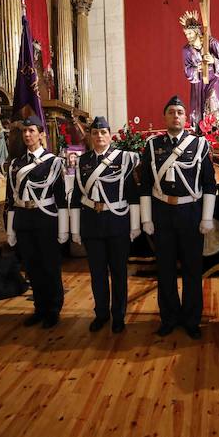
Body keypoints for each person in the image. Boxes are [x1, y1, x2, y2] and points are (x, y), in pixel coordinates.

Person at [139, 95, 216, 339]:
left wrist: (206, 217)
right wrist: (146, 218)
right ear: (165, 117)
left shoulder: (200, 145)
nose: (176, 115)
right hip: (162, 213)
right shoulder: (152, 146)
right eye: (171, 111)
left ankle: (192, 319)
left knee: (193, 269)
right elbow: (145, 186)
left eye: (180, 112)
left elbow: (209, 185)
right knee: (165, 270)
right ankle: (169, 317)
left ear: (186, 117)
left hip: (190, 213)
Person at [70, 116, 140, 334]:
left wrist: (135, 225)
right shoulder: (83, 161)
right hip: (92, 223)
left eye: (103, 133)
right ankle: (101, 313)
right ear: (90, 136)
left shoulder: (123, 160)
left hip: (117, 222)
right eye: (95, 133)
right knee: (97, 273)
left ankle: (118, 315)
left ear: (110, 135)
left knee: (119, 272)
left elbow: (132, 195)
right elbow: (76, 196)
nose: (99, 136)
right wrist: (74, 229)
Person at [5, 116, 68, 328]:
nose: (27, 135)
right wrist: (10, 229)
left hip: (46, 218)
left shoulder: (54, 162)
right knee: (31, 267)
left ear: (41, 134)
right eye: (24, 131)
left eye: (31, 130)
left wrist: (64, 227)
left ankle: (53, 309)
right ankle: (39, 308)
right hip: (24, 218)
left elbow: (61, 198)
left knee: (50, 266)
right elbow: (10, 198)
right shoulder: (16, 164)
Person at [180, 10, 219, 126]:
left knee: (212, 103)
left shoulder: (212, 43)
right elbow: (187, 70)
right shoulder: (186, 50)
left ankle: (216, 132)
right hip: (198, 84)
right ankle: (200, 133)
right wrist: (196, 69)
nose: (188, 37)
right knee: (198, 110)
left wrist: (213, 60)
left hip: (213, 80)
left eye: (190, 33)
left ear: (196, 31)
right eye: (186, 34)